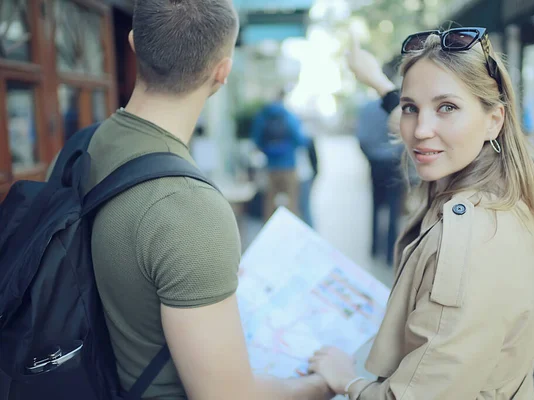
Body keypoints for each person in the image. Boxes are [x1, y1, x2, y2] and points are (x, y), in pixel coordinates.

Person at [47, 1, 332, 398]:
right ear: (222, 71)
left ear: (132, 43)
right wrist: (321, 385)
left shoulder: (81, 146)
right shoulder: (187, 207)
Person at [308, 29, 534, 399]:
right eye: (412, 107)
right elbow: (421, 124)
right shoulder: (512, 179)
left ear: (494, 120)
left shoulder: (469, 242)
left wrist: (344, 379)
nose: (419, 131)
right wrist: (377, 82)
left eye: (447, 107)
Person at [356, 90, 404, 265]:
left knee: (375, 206)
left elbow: (361, 137)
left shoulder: (367, 108)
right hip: (393, 162)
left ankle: (375, 248)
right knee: (393, 208)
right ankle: (391, 253)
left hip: (375, 162)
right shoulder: (398, 106)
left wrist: (370, 158)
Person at [252, 89, 309, 220]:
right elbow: (300, 140)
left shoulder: (263, 116)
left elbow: (256, 140)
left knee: (269, 205)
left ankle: (270, 232)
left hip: (271, 167)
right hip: (289, 166)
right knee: (292, 204)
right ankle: (290, 232)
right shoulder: (289, 116)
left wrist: (269, 151)